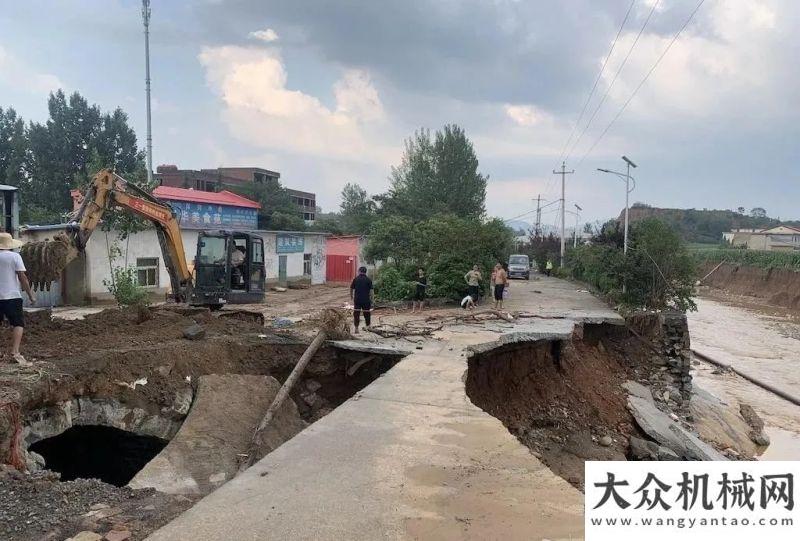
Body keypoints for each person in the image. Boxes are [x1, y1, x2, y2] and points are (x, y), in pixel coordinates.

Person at [0, 233, 35, 365]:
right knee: (18, 324)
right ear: (9, 244)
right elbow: (22, 277)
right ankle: (15, 352)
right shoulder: (15, 256)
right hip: (12, 297)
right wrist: (30, 294)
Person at [350, 266, 373, 334]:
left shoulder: (356, 279)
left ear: (359, 271)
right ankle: (368, 327)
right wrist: (372, 299)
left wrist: (351, 296)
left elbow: (351, 288)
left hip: (357, 300)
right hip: (366, 300)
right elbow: (371, 291)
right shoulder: (368, 280)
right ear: (365, 272)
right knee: (367, 313)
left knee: (356, 314)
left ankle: (356, 328)